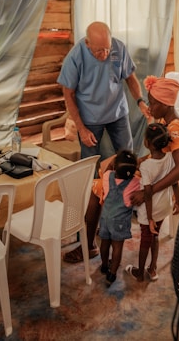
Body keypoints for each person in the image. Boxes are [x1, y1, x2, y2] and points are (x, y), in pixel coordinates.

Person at [57, 21, 149, 261]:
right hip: (89, 119)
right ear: (87, 44)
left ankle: (129, 209)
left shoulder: (118, 48)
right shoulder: (76, 56)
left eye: (107, 48)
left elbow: (130, 78)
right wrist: (81, 127)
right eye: (99, 50)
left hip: (117, 113)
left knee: (129, 160)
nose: (105, 54)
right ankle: (89, 238)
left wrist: (140, 101)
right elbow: (68, 93)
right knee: (92, 175)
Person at [125, 122, 179, 282]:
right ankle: (153, 269)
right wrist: (177, 200)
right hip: (164, 206)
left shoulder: (146, 166)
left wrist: (149, 218)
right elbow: (175, 180)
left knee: (145, 239)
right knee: (154, 237)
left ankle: (140, 272)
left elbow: (147, 193)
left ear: (147, 143)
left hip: (151, 209)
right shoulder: (170, 158)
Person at [130, 74, 179, 216]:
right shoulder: (166, 122)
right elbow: (162, 155)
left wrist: (147, 192)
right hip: (155, 173)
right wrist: (141, 161)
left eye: (152, 103)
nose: (149, 108)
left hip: (156, 181)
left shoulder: (175, 129)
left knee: (106, 184)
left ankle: (110, 229)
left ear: (165, 104)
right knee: (113, 165)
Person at [98, 150, 140, 286]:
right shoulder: (135, 182)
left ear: (114, 166)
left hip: (105, 218)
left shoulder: (107, 176)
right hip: (120, 222)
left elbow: (106, 167)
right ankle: (112, 274)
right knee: (117, 247)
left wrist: (113, 163)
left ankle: (104, 265)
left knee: (104, 243)